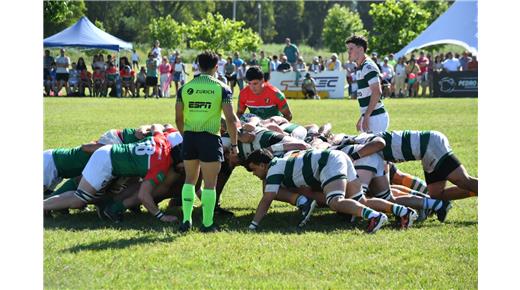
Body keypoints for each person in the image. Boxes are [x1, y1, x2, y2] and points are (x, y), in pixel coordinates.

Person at [44, 124, 180, 224]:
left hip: (107, 153)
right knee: (79, 200)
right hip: (106, 161)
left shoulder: (161, 139)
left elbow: (157, 126)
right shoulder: (161, 165)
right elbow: (143, 195)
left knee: (87, 196)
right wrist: (161, 216)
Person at [244, 148, 389, 233]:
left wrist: (253, 225)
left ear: (263, 165)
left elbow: (267, 199)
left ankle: (374, 216)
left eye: (254, 169)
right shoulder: (281, 161)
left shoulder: (274, 169)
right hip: (337, 156)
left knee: (335, 202)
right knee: (360, 200)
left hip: (329, 161)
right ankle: (403, 212)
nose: (254, 174)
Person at [175, 50, 240, 232]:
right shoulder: (222, 88)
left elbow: (178, 118)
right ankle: (207, 223)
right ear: (215, 66)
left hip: (189, 137)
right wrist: (234, 145)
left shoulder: (185, 88)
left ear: (197, 65)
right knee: (209, 183)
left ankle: (186, 220)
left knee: (189, 179)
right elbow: (231, 119)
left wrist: (185, 135)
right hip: (210, 138)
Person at [345, 35, 389, 133]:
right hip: (371, 116)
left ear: (360, 49)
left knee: (373, 147)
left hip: (376, 117)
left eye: (351, 48)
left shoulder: (368, 66)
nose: (348, 52)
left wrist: (367, 116)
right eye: (348, 49)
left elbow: (377, 92)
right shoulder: (361, 67)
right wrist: (363, 117)